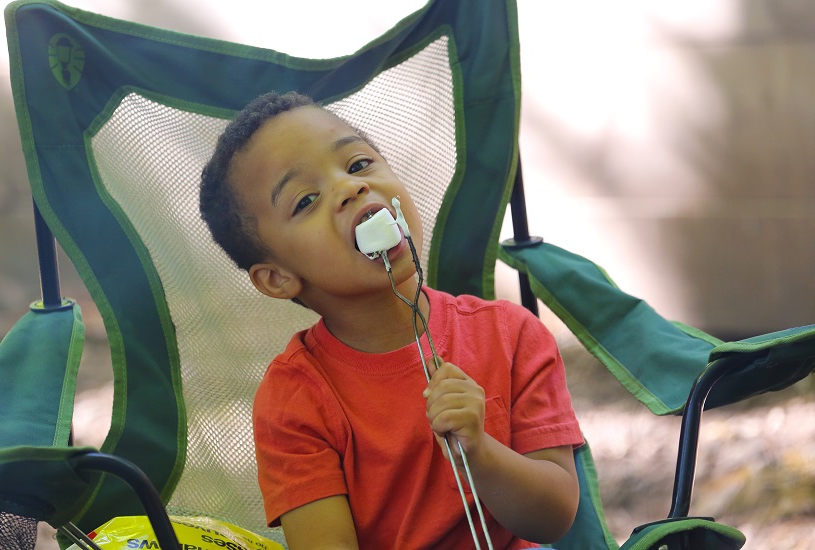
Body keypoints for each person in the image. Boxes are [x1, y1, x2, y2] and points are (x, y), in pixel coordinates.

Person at [200, 91, 584, 549]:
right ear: (279, 278)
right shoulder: (296, 399)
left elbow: (554, 518)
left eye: (359, 164)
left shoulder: (511, 335)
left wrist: (481, 453)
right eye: (305, 200)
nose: (350, 188)